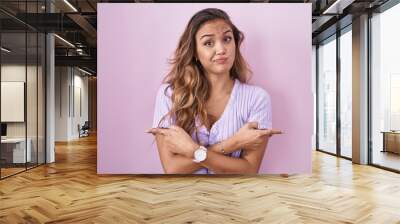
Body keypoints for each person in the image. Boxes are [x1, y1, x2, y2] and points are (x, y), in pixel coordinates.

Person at [147, 8, 282, 174]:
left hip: (235, 196)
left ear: (235, 44)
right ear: (195, 52)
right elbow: (172, 168)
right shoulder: (169, 94)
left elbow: (249, 168)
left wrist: (192, 150)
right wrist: (232, 144)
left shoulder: (257, 98)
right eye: (208, 43)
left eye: (227, 39)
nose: (221, 49)